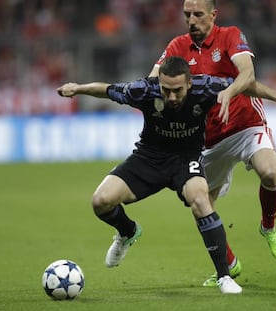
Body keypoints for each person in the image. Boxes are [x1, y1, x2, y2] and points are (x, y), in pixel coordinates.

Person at [148, 0, 276, 287]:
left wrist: (230, 91)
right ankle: (229, 264)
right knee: (198, 203)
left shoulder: (231, 35)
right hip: (207, 139)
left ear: (213, 15)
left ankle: (268, 227)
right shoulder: (177, 46)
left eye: (198, 14)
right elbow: (153, 80)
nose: (192, 20)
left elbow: (247, 75)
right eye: (187, 15)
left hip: (245, 124)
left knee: (270, 172)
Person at [57, 56, 243, 294]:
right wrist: (77, 89)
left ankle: (224, 277)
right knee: (100, 202)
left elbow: (246, 83)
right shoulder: (144, 90)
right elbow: (107, 89)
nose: (172, 97)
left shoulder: (206, 86)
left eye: (177, 90)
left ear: (189, 83)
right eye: (166, 90)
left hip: (186, 159)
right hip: (148, 157)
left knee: (200, 199)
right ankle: (128, 232)